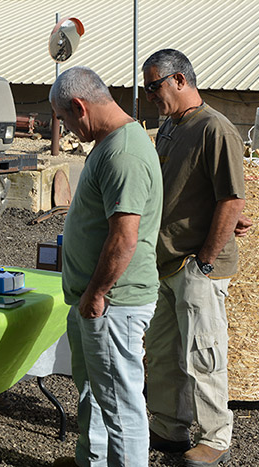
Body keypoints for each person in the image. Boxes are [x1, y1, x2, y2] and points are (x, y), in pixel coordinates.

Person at [49, 67, 163, 467]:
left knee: (120, 406)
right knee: (95, 393)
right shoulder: (109, 142)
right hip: (95, 300)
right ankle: (91, 460)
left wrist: (97, 292)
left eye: (64, 119)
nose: (64, 129)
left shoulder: (124, 153)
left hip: (113, 302)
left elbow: (124, 237)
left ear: (80, 107)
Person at [142, 49, 246, 467]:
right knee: (164, 351)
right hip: (166, 262)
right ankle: (170, 426)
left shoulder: (215, 129)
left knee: (203, 353)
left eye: (155, 86)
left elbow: (232, 199)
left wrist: (204, 260)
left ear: (180, 80)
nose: (150, 95)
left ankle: (216, 436)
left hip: (194, 265)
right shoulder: (171, 126)